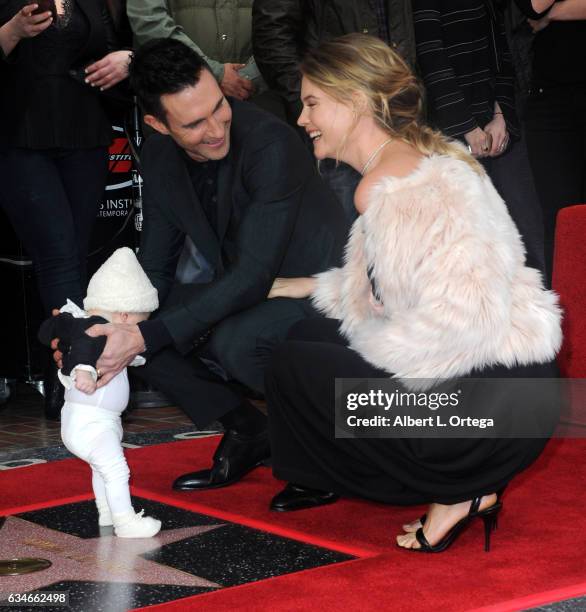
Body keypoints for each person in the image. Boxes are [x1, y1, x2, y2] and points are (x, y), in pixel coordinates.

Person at [263, 34, 562, 552]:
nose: (301, 118)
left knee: (290, 361)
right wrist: (303, 288)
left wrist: (369, 347)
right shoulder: (427, 155)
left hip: (479, 408)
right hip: (522, 389)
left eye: (312, 103)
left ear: (355, 102)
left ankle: (454, 486)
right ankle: (470, 482)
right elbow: (405, 289)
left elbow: (453, 328)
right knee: (311, 334)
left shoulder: (384, 185)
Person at [57, 39, 348, 492]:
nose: (215, 128)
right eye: (193, 123)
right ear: (157, 123)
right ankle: (248, 429)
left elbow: (254, 274)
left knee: (234, 342)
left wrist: (142, 334)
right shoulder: (157, 156)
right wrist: (102, 327)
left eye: (219, 107)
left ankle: (323, 444)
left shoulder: (270, 143)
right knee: (132, 327)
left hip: (320, 291)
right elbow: (155, 268)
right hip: (245, 290)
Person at [0, 0, 133, 418]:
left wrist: (123, 61)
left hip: (84, 134)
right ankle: (78, 373)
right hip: (18, 137)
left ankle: (67, 367)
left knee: (75, 257)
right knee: (58, 257)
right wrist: (14, 31)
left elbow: (111, 44)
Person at [412, 0, 546, 275]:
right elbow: (431, 57)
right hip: (450, 135)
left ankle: (539, 314)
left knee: (529, 234)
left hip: (499, 125)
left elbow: (501, 52)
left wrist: (501, 115)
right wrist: (467, 127)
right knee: (472, 248)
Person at [252, 0, 416, 222]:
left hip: (393, 112)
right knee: (348, 233)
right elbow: (272, 35)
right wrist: (313, 104)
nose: (302, 119)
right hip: (340, 122)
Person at [39, 248, 161, 538]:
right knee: (116, 469)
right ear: (122, 314)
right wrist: (83, 370)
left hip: (97, 422)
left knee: (101, 469)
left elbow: (134, 355)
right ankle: (125, 521)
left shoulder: (96, 328)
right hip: (91, 423)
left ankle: (106, 511)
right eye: (138, 322)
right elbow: (83, 346)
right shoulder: (95, 328)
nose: (139, 330)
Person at [514, 0, 586, 283]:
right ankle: (568, 324)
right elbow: (532, 6)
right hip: (550, 102)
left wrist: (553, 15)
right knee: (562, 224)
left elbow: (542, 13)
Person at [127, 0, 256, 101]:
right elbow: (149, 21)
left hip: (256, 97)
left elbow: (274, 26)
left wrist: (246, 78)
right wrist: (214, 73)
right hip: (176, 93)